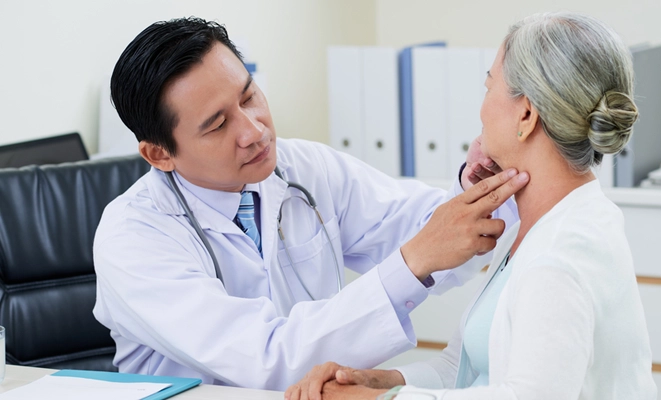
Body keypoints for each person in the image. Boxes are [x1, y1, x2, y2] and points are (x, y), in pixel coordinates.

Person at [92, 17, 527, 390]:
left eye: (248, 97)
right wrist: (414, 260)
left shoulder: (303, 168)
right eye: (219, 124)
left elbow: (427, 231)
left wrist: (477, 188)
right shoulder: (133, 238)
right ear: (159, 154)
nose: (254, 131)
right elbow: (266, 361)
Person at [287, 12, 656, 400]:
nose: (481, 108)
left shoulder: (559, 255)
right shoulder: (534, 227)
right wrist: (375, 381)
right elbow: (462, 369)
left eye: (489, 85)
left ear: (526, 114)